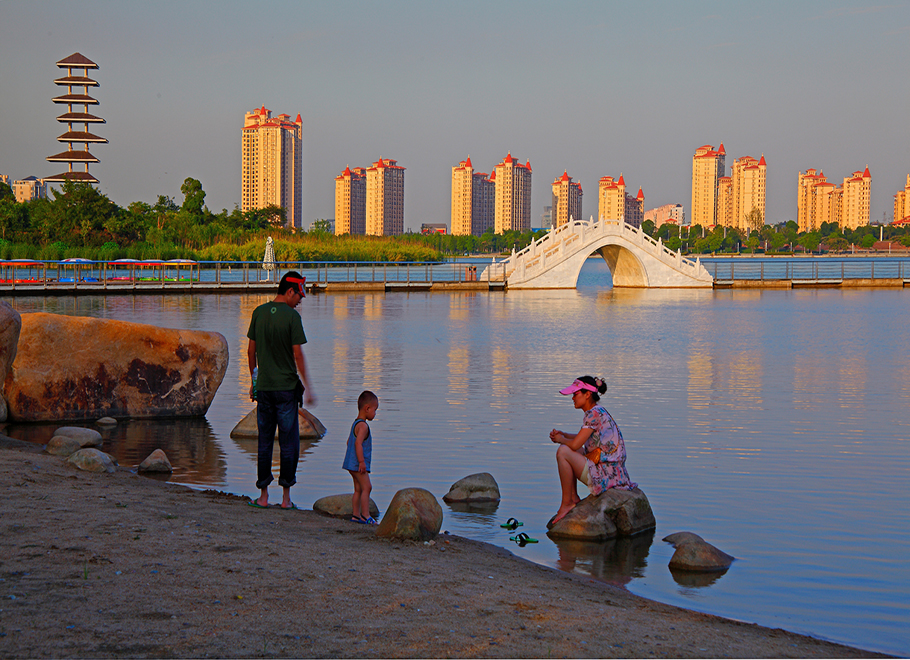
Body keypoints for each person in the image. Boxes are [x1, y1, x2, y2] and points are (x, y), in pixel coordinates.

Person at [246, 271, 316, 509]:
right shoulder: (292, 318)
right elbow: (298, 354)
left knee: (264, 442)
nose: (300, 300)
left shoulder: (258, 313)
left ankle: (264, 497)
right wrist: (308, 386)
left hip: (264, 388)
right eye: (299, 296)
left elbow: (250, 353)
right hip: (287, 390)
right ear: (289, 291)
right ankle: (286, 499)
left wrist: (254, 382)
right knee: (288, 444)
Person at [549, 376, 636, 524]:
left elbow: (576, 445)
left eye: (575, 394)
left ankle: (566, 503)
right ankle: (573, 497)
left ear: (587, 394)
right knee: (568, 449)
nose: (572, 398)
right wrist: (564, 434)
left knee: (564, 451)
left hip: (606, 476)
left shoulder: (593, 414)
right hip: (611, 472)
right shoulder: (598, 411)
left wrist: (561, 440)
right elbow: (583, 439)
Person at [343, 390, 379, 524]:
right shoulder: (363, 426)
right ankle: (365, 515)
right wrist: (361, 462)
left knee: (358, 489)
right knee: (367, 487)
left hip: (350, 464)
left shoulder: (355, 423)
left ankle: (355, 516)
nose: (375, 413)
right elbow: (358, 443)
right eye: (375, 410)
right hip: (358, 464)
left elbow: (349, 442)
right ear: (367, 408)